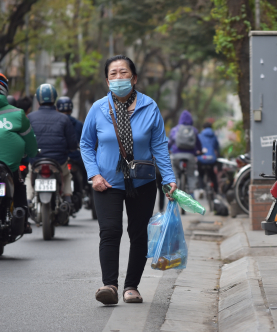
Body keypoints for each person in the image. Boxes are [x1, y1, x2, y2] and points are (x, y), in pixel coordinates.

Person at [80, 55, 177, 306]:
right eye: (113, 74)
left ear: (134, 78)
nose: (118, 78)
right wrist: (94, 174)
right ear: (107, 80)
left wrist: (168, 178)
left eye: (123, 73)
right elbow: (86, 144)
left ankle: (131, 286)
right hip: (107, 182)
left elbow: (159, 145)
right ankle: (109, 286)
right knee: (110, 231)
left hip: (142, 182)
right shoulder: (98, 108)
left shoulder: (149, 107)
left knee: (138, 234)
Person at [27, 84, 76, 206]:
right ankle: (67, 197)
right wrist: (71, 149)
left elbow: (26, 139)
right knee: (67, 175)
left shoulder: (30, 117)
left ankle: (28, 199)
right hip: (58, 161)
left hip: (36, 159)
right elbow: (72, 143)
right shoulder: (64, 119)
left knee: (29, 176)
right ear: (55, 98)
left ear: (38, 99)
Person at [0, 74, 38, 233]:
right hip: (10, 168)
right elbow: (30, 144)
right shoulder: (17, 114)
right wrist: (31, 152)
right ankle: (23, 218)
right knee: (19, 185)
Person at [56, 96, 86, 207]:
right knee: (86, 171)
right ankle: (84, 189)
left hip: (59, 157)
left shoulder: (56, 121)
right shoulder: (78, 124)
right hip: (75, 158)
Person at [168, 110, 202, 193]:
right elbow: (198, 143)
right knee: (190, 174)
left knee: (175, 168)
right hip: (190, 156)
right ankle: (191, 191)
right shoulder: (193, 130)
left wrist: (167, 149)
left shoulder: (175, 129)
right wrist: (200, 150)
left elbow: (170, 142)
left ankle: (174, 185)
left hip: (176, 155)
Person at [197, 121, 220, 194]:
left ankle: (201, 189)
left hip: (202, 158)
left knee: (200, 174)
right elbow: (217, 147)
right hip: (211, 159)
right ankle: (216, 192)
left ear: (203, 128)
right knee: (212, 175)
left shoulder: (200, 135)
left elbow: (197, 146)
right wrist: (218, 154)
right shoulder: (214, 136)